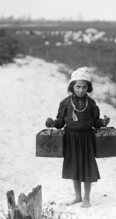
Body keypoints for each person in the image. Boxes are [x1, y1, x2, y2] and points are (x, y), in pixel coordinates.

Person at [45, 67, 110, 208]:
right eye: (78, 86)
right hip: (71, 138)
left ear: (88, 88)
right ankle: (78, 197)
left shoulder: (91, 104)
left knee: (87, 168)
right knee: (74, 168)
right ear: (72, 86)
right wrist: (52, 123)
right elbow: (60, 123)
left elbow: (95, 122)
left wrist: (103, 123)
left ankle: (86, 198)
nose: (81, 90)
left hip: (87, 139)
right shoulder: (66, 103)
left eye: (84, 87)